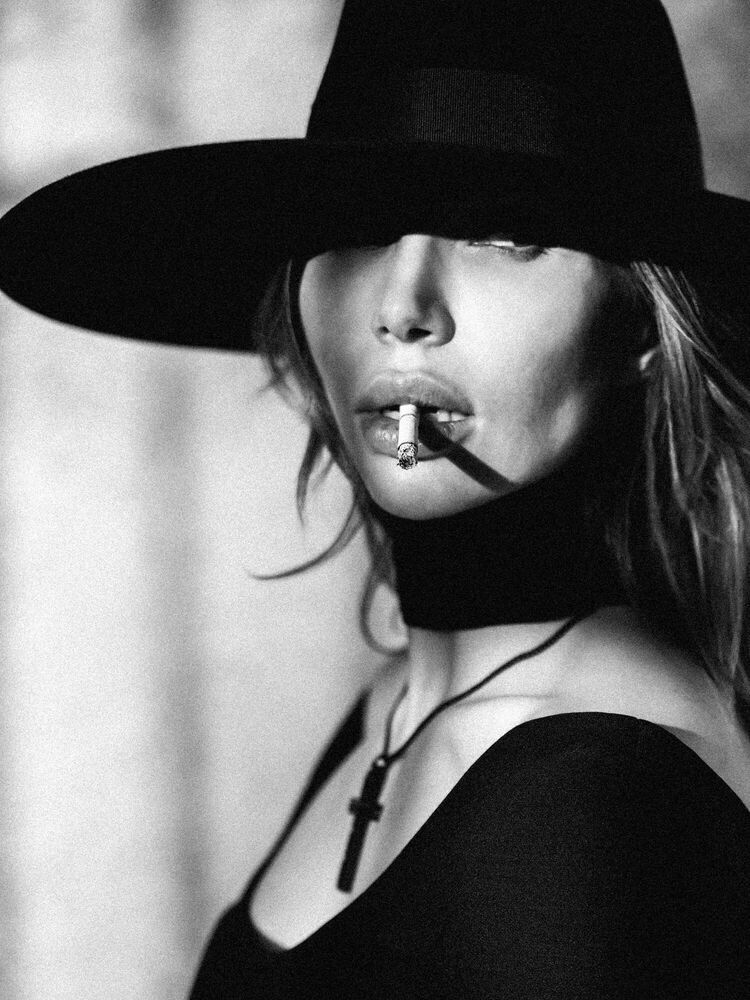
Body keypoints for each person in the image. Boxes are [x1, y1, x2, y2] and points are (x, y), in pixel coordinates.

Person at [1, 0, 749, 996]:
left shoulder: (601, 803)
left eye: (504, 234)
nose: (402, 306)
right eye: (356, 227)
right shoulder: (399, 704)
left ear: (643, 328)